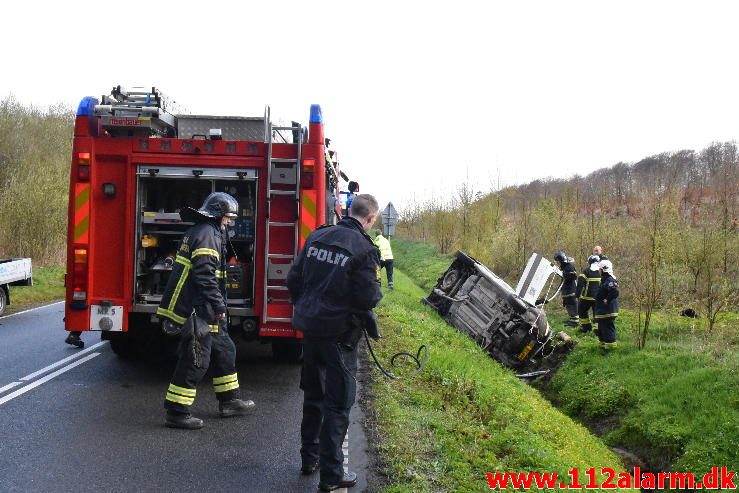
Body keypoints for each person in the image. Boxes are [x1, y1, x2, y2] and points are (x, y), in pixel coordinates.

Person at [287, 194, 383, 492]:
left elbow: (293, 279)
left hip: (311, 331)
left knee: (313, 395)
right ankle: (331, 476)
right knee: (339, 403)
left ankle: (309, 458)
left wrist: (306, 307)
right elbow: (368, 297)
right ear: (370, 219)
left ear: (349, 211)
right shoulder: (365, 249)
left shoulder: (317, 236)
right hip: (340, 338)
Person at [157, 192, 255, 430]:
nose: (230, 222)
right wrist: (219, 305)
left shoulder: (206, 232)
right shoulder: (207, 235)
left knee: (225, 350)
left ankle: (230, 401)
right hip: (197, 307)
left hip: (205, 306)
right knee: (196, 358)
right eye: (228, 218)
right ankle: (177, 411)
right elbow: (203, 275)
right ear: (219, 215)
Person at [594, 259, 619, 353]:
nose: (598, 271)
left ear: (604, 270)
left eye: (600, 270)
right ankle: (603, 347)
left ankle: (610, 349)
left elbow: (615, 291)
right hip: (603, 311)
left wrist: (607, 299)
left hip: (608, 311)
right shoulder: (605, 279)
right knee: (602, 329)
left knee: (608, 329)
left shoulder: (609, 280)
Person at [575, 255, 601, 333]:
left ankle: (586, 328)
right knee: (597, 314)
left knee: (582, 311)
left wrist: (577, 295)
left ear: (590, 262)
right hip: (598, 298)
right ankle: (597, 331)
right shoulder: (601, 271)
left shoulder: (586, 271)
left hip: (586, 298)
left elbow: (580, 284)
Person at [553, 251, 578, 327]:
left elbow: (573, 276)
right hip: (566, 290)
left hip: (571, 290)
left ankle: (575, 322)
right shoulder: (563, 266)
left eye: (558, 261)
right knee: (568, 305)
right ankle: (572, 319)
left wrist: (563, 274)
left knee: (572, 305)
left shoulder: (569, 266)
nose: (558, 262)